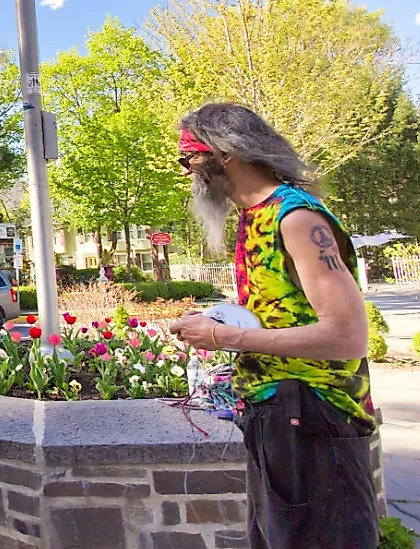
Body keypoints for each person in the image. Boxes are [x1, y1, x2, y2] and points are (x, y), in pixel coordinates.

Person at [167, 103, 378, 549]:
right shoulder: (255, 218)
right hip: (278, 416)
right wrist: (219, 318)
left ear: (226, 153)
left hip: (318, 418)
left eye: (190, 157)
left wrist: (225, 336)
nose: (186, 172)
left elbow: (348, 335)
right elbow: (283, 309)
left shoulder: (296, 217)